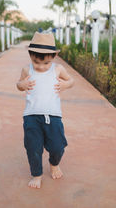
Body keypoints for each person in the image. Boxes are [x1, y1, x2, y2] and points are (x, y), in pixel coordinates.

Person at [16, 31, 74, 189]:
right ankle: (37, 174)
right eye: (36, 62)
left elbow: (71, 80)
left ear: (54, 57)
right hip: (31, 116)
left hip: (53, 116)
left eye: (46, 63)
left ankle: (54, 163)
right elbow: (19, 84)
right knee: (33, 147)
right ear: (30, 56)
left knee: (57, 146)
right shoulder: (27, 70)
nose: (41, 67)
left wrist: (65, 85)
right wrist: (22, 85)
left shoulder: (58, 69)